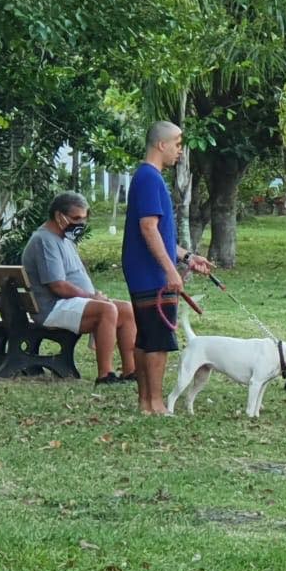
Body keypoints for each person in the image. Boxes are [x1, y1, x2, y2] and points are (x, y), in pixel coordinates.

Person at [121, 121, 212, 416]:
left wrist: (187, 258)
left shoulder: (146, 177)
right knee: (158, 339)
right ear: (161, 145)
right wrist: (170, 271)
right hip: (151, 272)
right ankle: (156, 404)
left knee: (146, 336)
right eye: (177, 144)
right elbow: (148, 228)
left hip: (143, 269)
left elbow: (160, 234)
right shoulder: (150, 178)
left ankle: (146, 403)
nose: (180, 150)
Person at [22, 191, 137, 385]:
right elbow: (58, 286)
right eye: (76, 218)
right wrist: (92, 297)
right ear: (59, 216)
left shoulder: (64, 239)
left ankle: (130, 370)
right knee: (107, 310)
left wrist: (93, 297)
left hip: (70, 303)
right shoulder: (45, 240)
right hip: (52, 307)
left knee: (126, 309)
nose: (80, 224)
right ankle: (105, 374)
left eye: (83, 219)